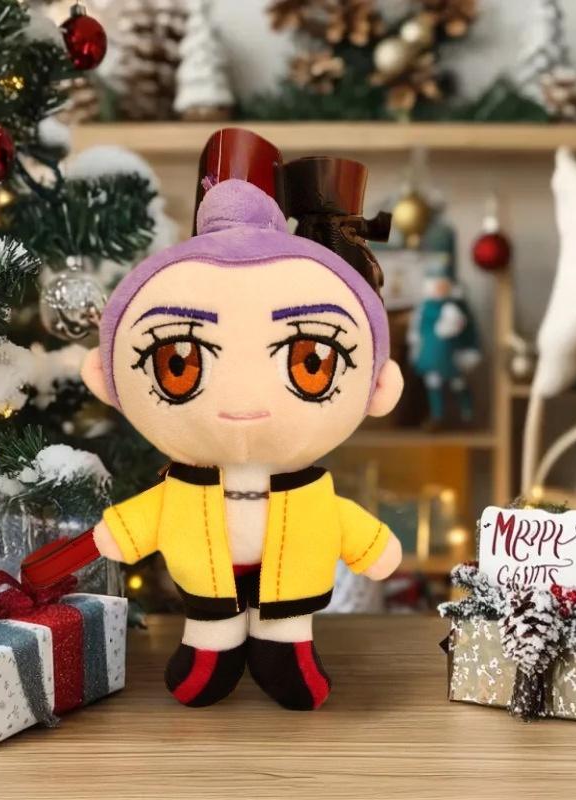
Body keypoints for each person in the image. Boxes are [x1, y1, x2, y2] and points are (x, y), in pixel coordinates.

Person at [81, 174, 403, 711]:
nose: (244, 401)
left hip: (292, 573)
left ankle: (283, 651)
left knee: (287, 630)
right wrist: (122, 532)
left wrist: (372, 546)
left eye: (311, 362)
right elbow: (151, 514)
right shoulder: (183, 489)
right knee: (211, 633)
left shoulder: (308, 493)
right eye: (178, 364)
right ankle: (215, 650)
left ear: (378, 387)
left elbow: (342, 519)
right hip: (206, 578)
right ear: (107, 378)